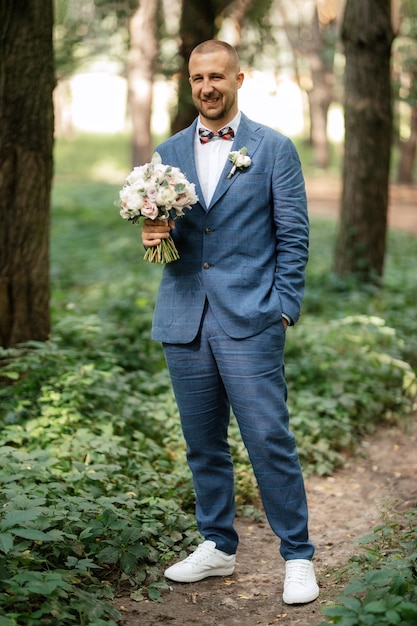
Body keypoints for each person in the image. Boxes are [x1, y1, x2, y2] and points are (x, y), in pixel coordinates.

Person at [141, 40, 319, 605]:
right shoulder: (166, 153)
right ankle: (217, 545)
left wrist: (283, 307)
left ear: (239, 78)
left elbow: (294, 236)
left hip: (253, 318)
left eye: (217, 76)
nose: (207, 87)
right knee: (202, 444)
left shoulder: (272, 149)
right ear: (189, 83)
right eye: (197, 78)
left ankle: (297, 555)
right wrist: (152, 239)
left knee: (268, 438)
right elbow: (169, 242)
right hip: (184, 317)